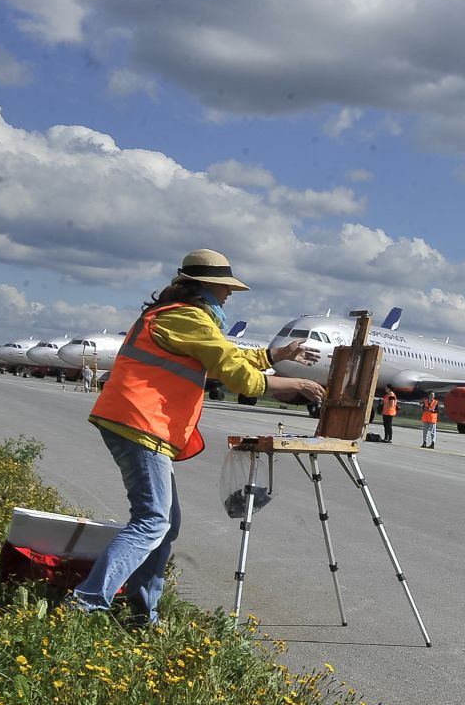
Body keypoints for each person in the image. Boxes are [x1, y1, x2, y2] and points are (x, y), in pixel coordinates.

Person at [72, 249, 325, 626]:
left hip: (139, 423)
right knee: (152, 521)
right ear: (205, 287)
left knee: (164, 523)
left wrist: (273, 355)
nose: (228, 297)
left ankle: (143, 614)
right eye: (225, 290)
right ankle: (87, 604)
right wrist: (295, 383)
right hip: (141, 423)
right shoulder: (188, 318)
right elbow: (234, 372)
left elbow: (223, 355)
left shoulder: (178, 318)